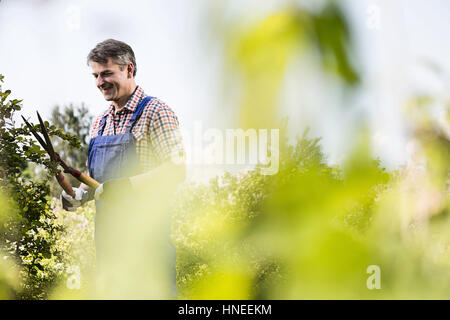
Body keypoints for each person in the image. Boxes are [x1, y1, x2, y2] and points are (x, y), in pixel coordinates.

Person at [60, 39, 186, 299]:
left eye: (106, 73)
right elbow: (93, 178)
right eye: (95, 75)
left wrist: (126, 186)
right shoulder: (100, 122)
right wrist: (78, 196)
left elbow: (177, 168)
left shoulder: (156, 112)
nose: (99, 82)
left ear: (129, 69)